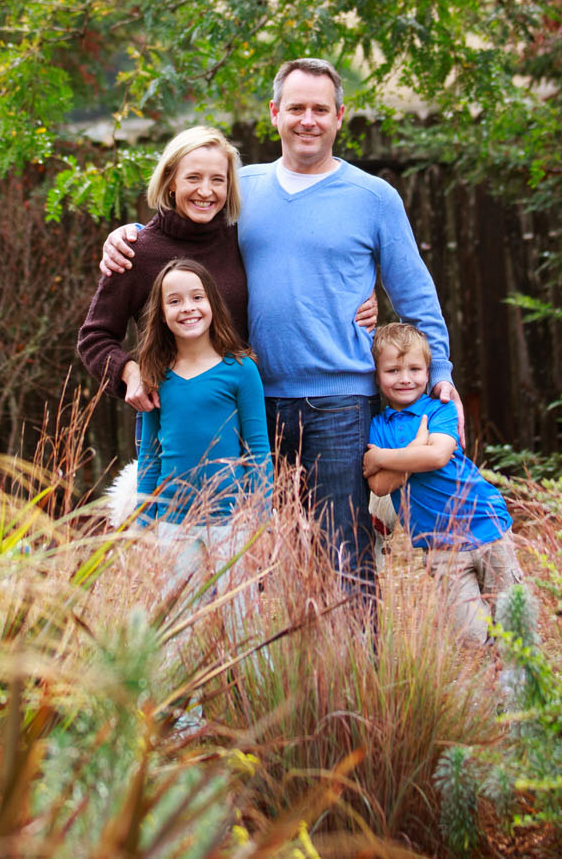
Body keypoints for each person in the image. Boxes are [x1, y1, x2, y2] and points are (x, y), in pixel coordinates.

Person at [102, 58, 460, 605]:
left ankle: (352, 681)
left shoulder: (374, 197)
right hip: (250, 401)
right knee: (255, 558)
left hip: (340, 400)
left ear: (341, 117)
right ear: (275, 114)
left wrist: (441, 373)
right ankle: (275, 682)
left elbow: (415, 292)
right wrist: (128, 234)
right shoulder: (241, 190)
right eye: (296, 108)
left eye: (321, 109)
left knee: (343, 550)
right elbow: (184, 233)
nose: (308, 120)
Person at [79, 123, 377, 411]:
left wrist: (358, 293)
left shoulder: (243, 236)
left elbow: (296, 269)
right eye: (193, 178)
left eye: (217, 180)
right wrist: (129, 373)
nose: (206, 191)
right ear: (171, 181)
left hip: (245, 415)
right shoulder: (136, 251)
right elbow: (94, 337)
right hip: (171, 418)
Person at [361, 323, 517, 644]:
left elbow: (437, 456)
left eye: (415, 369)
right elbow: (378, 486)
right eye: (392, 370)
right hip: (440, 548)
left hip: (487, 528)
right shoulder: (378, 425)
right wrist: (415, 450)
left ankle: (520, 689)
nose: (405, 378)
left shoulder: (438, 409)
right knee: (471, 636)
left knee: (514, 627)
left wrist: (386, 458)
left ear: (428, 371)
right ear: (377, 376)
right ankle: (492, 682)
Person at [130, 258, 271, 597]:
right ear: (162, 314)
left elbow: (258, 450)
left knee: (241, 622)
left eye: (197, 297)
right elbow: (150, 454)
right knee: (178, 625)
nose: (187, 308)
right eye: (174, 301)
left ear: (212, 304)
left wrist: (260, 521)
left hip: (231, 521)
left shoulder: (240, 369)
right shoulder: (157, 374)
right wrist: (143, 522)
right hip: (173, 522)